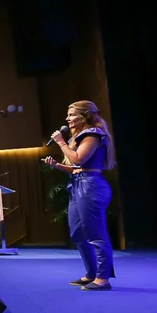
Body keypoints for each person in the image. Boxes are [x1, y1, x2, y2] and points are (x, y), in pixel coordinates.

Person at [44, 100, 118, 291]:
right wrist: (57, 165)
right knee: (77, 232)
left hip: (91, 186)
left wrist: (60, 142)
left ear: (85, 116)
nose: (67, 119)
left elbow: (79, 159)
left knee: (96, 233)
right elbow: (75, 167)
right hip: (77, 185)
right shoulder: (77, 138)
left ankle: (103, 278)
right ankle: (91, 273)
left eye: (71, 115)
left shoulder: (93, 134)